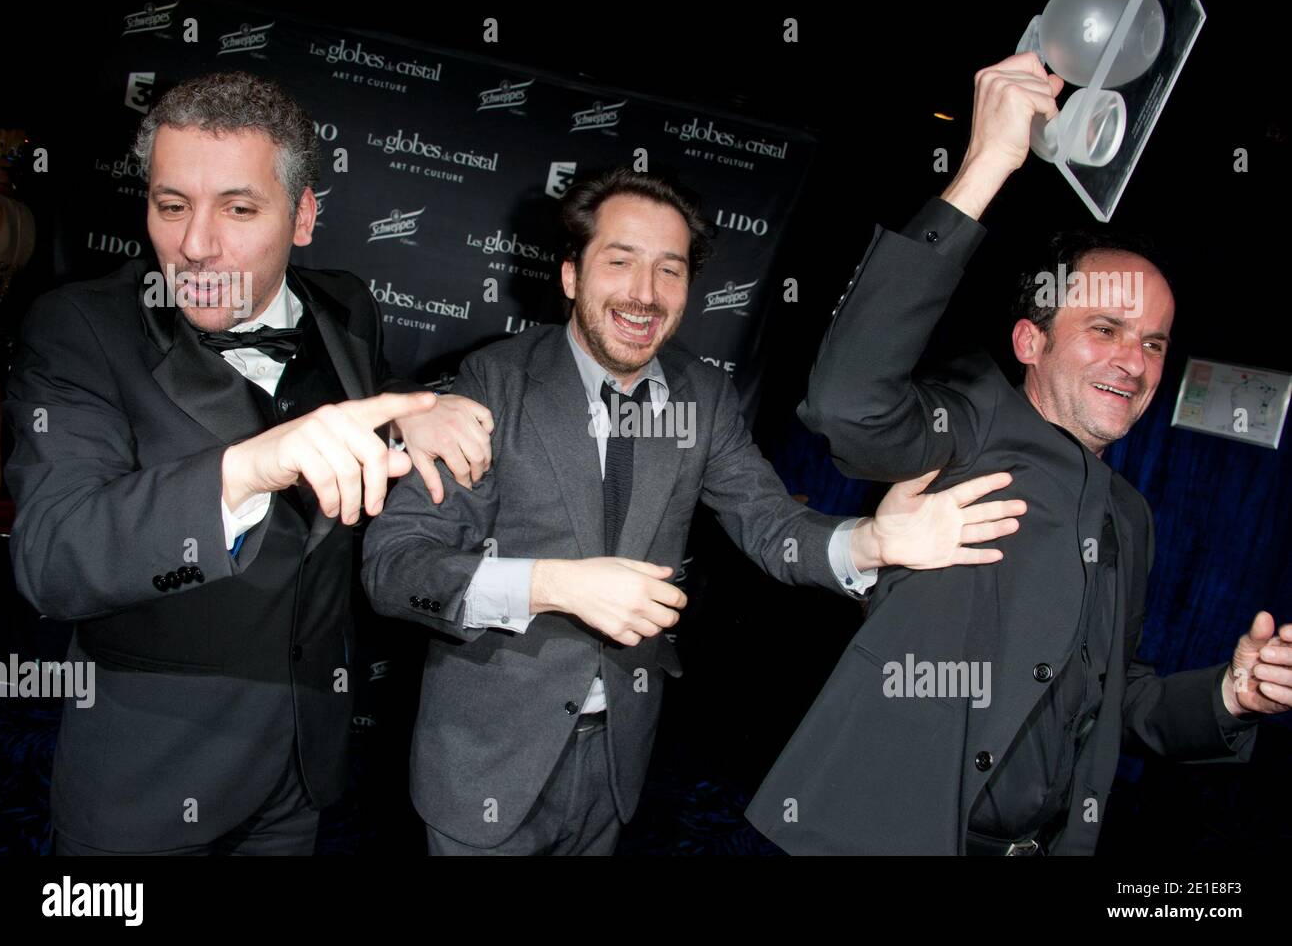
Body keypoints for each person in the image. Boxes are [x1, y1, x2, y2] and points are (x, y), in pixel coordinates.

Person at [361, 166, 1028, 855]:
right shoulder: (493, 382)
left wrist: (875, 543)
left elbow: (773, 525)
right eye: (619, 261)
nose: (644, 294)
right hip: (485, 759)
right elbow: (395, 568)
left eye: (669, 270)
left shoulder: (703, 398)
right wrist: (553, 584)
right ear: (570, 275)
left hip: (617, 762)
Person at [746, 53, 1292, 856]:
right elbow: (846, 402)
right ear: (1031, 341)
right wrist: (986, 165)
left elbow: (1121, 699)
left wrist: (1228, 696)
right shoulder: (966, 423)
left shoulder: (1130, 517)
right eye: (1104, 330)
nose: (1134, 361)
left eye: (1151, 342)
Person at [3, 71, 493, 855]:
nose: (196, 243)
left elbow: (368, 385)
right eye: (171, 205)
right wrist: (253, 465)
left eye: (238, 208)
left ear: (302, 217)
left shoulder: (346, 304)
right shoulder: (78, 330)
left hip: (300, 769)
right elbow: (52, 560)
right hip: (150, 782)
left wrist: (419, 408)